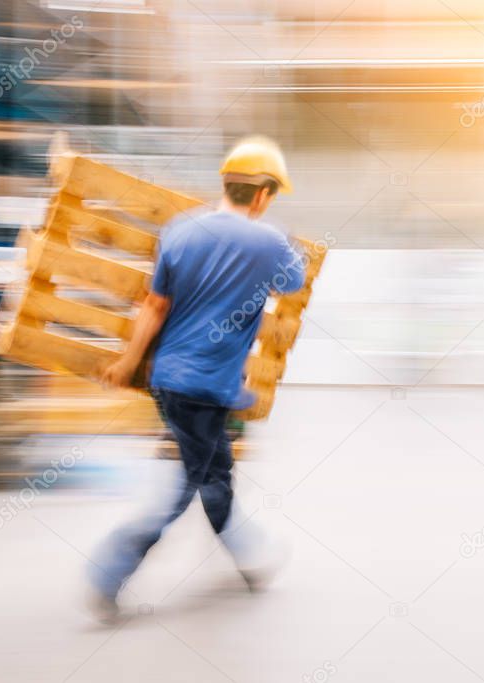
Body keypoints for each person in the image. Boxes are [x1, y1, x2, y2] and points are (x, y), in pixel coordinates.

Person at [87, 136, 306, 621]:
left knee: (215, 479)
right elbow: (293, 282)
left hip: (169, 381)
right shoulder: (268, 242)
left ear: (226, 183)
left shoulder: (179, 230)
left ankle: (253, 561)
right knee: (187, 487)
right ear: (265, 194)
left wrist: (127, 363)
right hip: (207, 389)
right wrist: (283, 240)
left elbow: (155, 305)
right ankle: (107, 573)